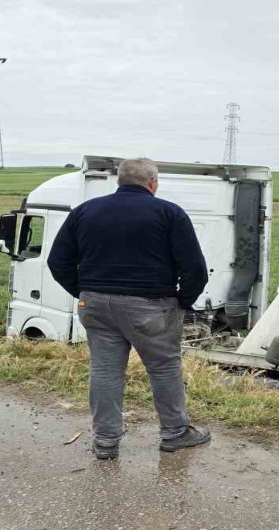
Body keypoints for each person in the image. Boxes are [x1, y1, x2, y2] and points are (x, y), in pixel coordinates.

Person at [47, 158, 211, 460]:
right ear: (153, 183)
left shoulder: (86, 211)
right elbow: (194, 268)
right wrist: (182, 301)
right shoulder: (168, 213)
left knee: (105, 371)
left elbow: (57, 262)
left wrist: (84, 291)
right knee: (163, 368)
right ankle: (175, 433)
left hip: (95, 304)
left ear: (119, 181)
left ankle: (105, 442)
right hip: (151, 306)